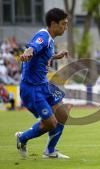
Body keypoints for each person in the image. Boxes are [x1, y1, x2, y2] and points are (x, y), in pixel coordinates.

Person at [15, 8, 72, 159]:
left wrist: (55, 56)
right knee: (51, 123)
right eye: (64, 24)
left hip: (43, 84)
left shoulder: (49, 39)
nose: (66, 27)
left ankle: (50, 151)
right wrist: (28, 51)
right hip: (32, 89)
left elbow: (42, 52)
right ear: (53, 24)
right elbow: (34, 46)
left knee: (63, 114)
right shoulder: (43, 36)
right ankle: (22, 138)